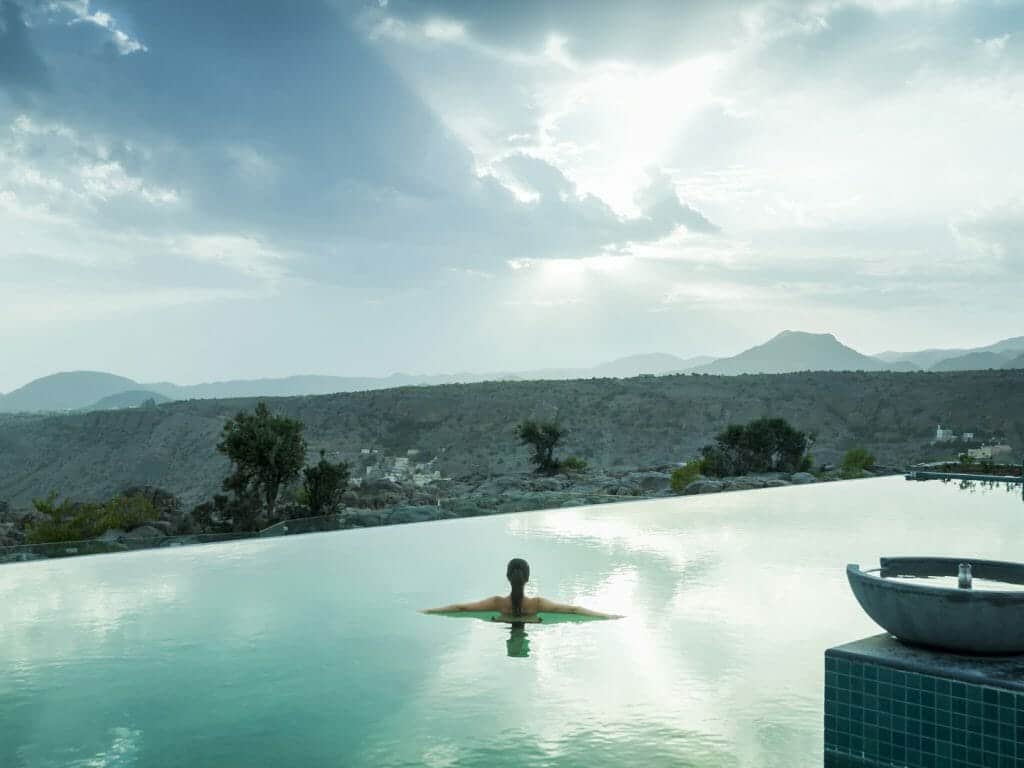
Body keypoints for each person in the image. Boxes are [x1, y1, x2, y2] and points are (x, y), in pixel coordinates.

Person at [421, 558, 622, 619]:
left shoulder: (496, 603)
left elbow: (461, 608)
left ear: (508, 577)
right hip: (534, 622)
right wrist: (607, 616)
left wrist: (430, 610)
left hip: (501, 621)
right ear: (528, 579)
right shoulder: (537, 604)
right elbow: (573, 610)